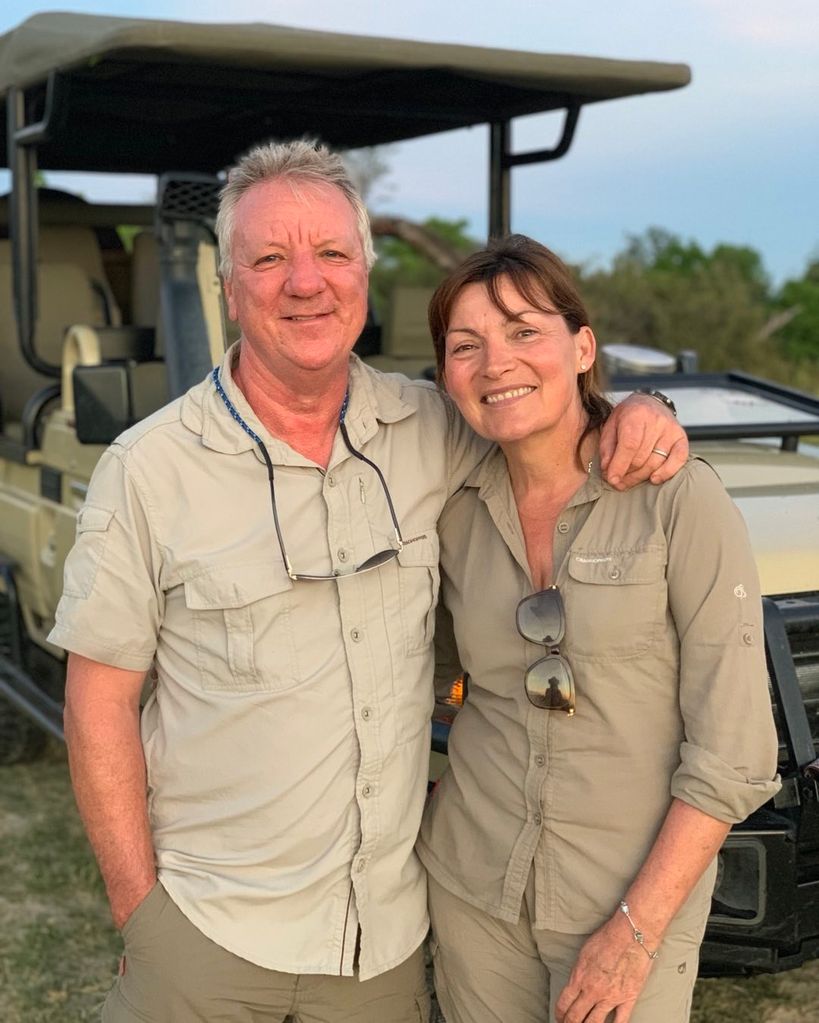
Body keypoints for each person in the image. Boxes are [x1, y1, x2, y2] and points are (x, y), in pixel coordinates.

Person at [51, 143, 687, 1023]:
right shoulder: (150, 469)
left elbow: (548, 418)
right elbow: (99, 703)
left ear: (364, 271)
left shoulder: (434, 427)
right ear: (230, 289)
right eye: (270, 258)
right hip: (206, 933)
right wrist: (140, 913)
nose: (304, 282)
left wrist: (640, 410)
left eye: (331, 254)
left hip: (379, 951)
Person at [416, 234, 781, 1023]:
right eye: (464, 345)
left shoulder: (679, 500)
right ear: (444, 375)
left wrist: (634, 930)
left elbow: (733, 754)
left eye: (523, 332)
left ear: (582, 346)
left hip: (624, 897)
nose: (495, 363)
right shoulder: (446, 507)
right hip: (474, 885)